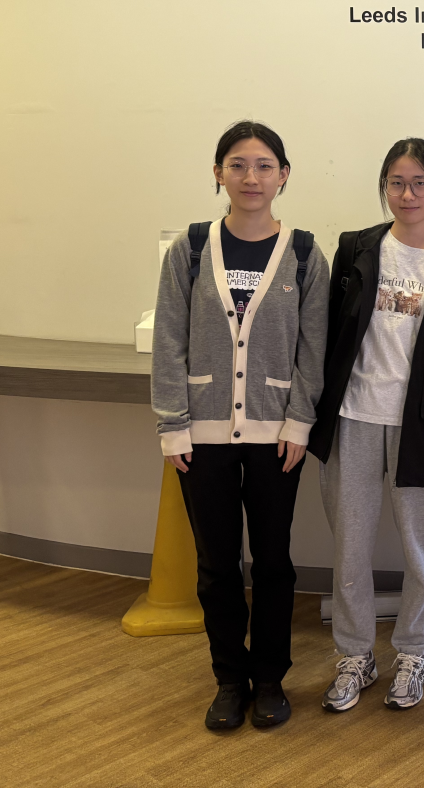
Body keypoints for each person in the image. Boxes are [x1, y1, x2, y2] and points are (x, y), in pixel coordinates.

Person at [152, 120, 328, 730]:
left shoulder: (304, 253)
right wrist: (172, 426)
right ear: (219, 173)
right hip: (201, 439)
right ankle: (229, 679)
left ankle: (270, 678)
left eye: (263, 165)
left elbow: (314, 348)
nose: (251, 177)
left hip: (277, 438)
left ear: (283, 175)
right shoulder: (191, 248)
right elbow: (169, 341)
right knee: (216, 565)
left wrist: (299, 423)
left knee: (274, 562)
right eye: (237, 165)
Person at [307, 138, 424, 713]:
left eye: (420, 182)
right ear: (385, 188)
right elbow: (327, 332)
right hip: (352, 416)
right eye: (397, 182)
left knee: (421, 548)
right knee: (349, 549)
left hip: (419, 426)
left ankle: (416, 651)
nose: (408, 193)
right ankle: (355, 654)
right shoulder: (356, 248)